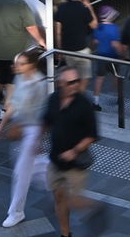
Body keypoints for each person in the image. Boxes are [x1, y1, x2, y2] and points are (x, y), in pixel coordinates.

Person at [44, 66, 105, 237]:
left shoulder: (84, 104)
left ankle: (95, 207)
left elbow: (92, 135)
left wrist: (74, 150)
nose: (74, 85)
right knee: (58, 197)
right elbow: (46, 121)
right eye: (70, 82)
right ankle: (65, 233)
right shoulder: (53, 99)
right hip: (56, 160)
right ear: (60, 83)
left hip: (76, 164)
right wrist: (37, 141)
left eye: (76, 81)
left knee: (73, 200)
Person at [0, 48, 49, 229]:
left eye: (21, 64)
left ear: (31, 65)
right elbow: (13, 105)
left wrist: (38, 139)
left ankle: (16, 212)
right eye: (16, 63)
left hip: (32, 130)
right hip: (20, 128)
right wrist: (1, 127)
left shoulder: (40, 84)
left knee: (21, 173)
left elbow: (42, 115)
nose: (16, 67)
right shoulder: (20, 79)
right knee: (33, 167)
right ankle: (57, 180)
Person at [54, 0, 98, 89]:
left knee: (68, 78)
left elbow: (57, 31)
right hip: (81, 50)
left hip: (66, 50)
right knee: (85, 78)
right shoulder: (83, 9)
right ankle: (76, 98)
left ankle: (67, 97)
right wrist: (89, 7)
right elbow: (94, 25)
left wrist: (59, 49)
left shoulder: (62, 7)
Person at [92, 5, 125, 104]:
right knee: (117, 77)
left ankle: (96, 101)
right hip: (113, 57)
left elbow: (95, 42)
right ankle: (119, 97)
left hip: (101, 55)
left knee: (99, 77)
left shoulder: (97, 27)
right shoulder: (114, 28)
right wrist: (122, 54)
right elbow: (116, 44)